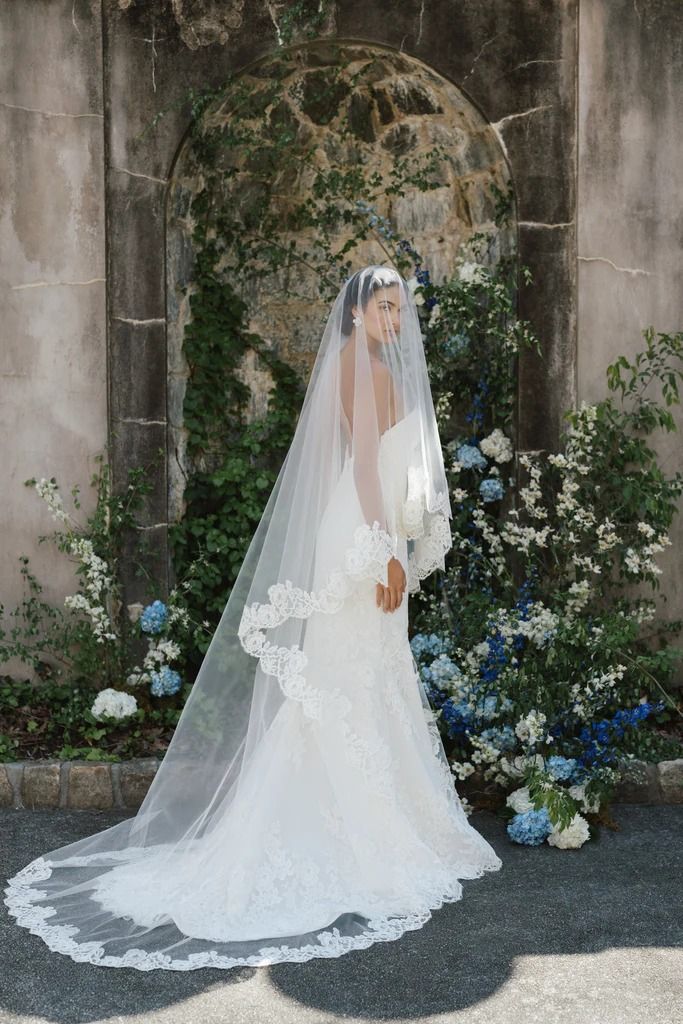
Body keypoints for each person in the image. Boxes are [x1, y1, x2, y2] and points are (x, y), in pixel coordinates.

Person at [3, 265, 502, 971]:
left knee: (357, 676)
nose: (396, 320)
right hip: (363, 538)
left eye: (400, 309)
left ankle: (359, 812)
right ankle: (347, 826)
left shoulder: (351, 364)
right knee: (344, 677)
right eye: (385, 308)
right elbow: (363, 467)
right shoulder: (362, 371)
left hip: (364, 531)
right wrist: (384, 553)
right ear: (356, 313)